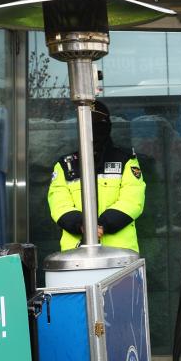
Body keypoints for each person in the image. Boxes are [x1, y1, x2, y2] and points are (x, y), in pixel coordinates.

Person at [48, 100, 146, 251]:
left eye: (99, 122)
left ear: (108, 125)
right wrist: (82, 225)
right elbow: (59, 205)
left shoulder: (125, 160)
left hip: (120, 255)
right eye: (88, 122)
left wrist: (102, 225)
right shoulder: (65, 165)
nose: (93, 128)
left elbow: (133, 200)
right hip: (76, 255)